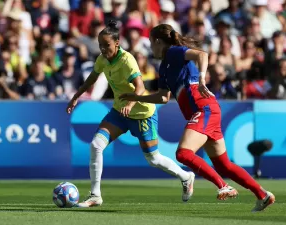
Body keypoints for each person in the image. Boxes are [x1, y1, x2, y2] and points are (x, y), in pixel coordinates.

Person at [119, 24, 275, 212]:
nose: (151, 48)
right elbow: (162, 97)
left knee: (183, 154)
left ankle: (223, 186)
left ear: (159, 42)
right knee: (224, 165)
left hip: (204, 108)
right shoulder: (164, 67)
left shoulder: (174, 52)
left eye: (151, 43)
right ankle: (262, 195)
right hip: (204, 111)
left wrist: (201, 78)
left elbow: (202, 55)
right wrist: (137, 98)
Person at [66, 21, 195, 208]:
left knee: (153, 158)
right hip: (120, 112)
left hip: (142, 113)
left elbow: (140, 87)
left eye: (107, 45)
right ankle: (95, 195)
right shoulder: (102, 59)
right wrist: (76, 97)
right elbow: (92, 79)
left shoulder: (127, 60)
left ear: (117, 43)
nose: (103, 49)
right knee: (96, 145)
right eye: (100, 45)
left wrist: (131, 103)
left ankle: (186, 176)